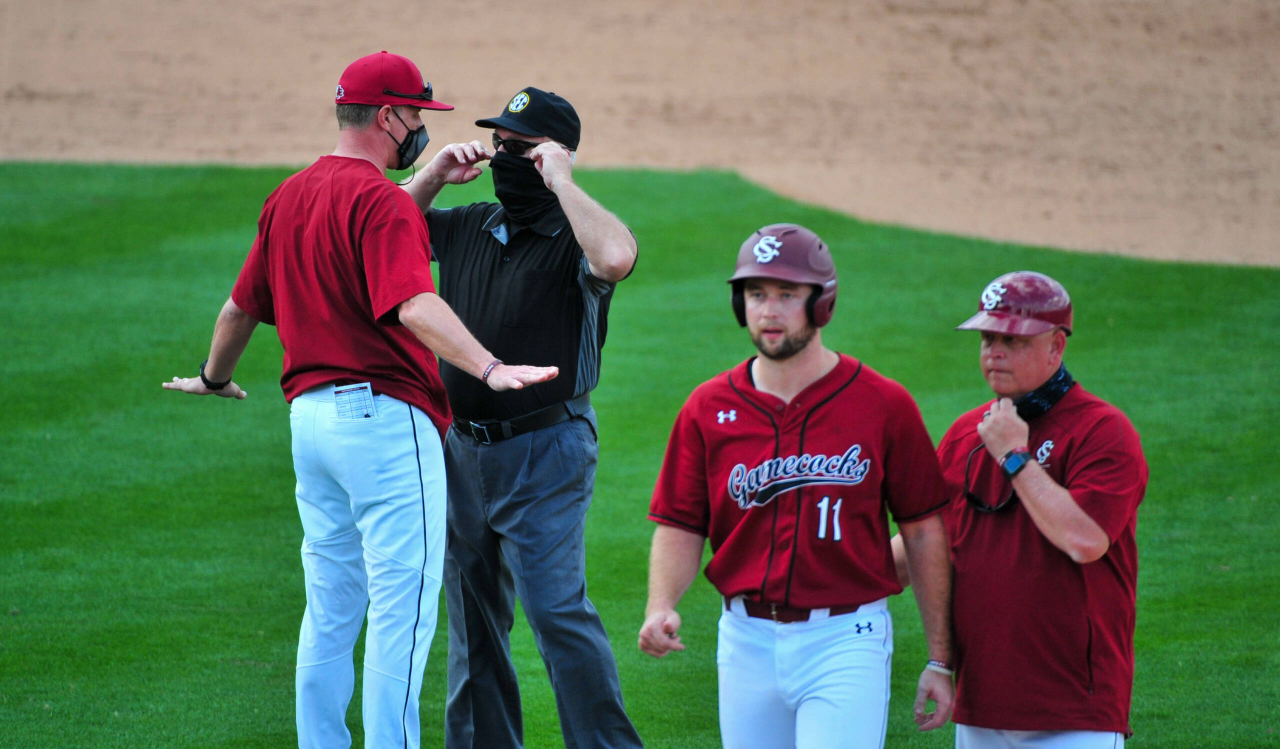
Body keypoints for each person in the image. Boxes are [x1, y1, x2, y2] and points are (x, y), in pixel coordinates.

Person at [162, 52, 557, 749]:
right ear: (387, 116)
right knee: (401, 613)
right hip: (383, 424)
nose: (421, 128)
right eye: (416, 115)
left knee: (332, 608)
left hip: (309, 425)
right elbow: (412, 302)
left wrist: (215, 377)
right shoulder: (377, 202)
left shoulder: (290, 195)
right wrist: (488, 365)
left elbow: (236, 309)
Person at [639, 224, 955, 749]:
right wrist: (660, 603)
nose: (769, 310)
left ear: (822, 303)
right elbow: (680, 523)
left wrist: (940, 657)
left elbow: (924, 532)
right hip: (743, 641)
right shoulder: (707, 408)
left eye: (788, 295)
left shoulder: (883, 405)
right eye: (757, 294)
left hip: (845, 640)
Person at [400, 88, 642, 749]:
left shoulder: (574, 238)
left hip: (547, 449)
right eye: (499, 143)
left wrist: (562, 178)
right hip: (464, 450)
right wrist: (430, 176)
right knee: (473, 620)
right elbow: (385, 233)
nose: (504, 155)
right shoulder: (473, 222)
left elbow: (617, 257)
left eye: (520, 147)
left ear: (552, 156)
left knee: (556, 611)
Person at [893, 271, 1148, 749]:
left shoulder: (1102, 431)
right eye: (988, 337)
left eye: (1012, 339)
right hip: (980, 707)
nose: (994, 351)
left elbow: (1086, 540)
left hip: (1075, 713)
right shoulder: (966, 434)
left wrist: (1014, 456)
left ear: (1056, 346)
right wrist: (828, 580)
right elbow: (928, 542)